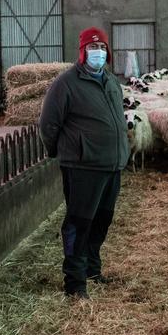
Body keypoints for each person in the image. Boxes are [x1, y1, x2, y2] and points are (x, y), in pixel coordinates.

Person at [39, 27, 129, 300]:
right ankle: (75, 283)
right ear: (82, 52)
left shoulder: (111, 81)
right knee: (79, 223)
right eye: (92, 48)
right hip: (83, 166)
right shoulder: (66, 83)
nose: (98, 53)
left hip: (111, 165)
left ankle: (92, 268)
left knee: (102, 220)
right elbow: (48, 123)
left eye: (101, 47)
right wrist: (62, 152)